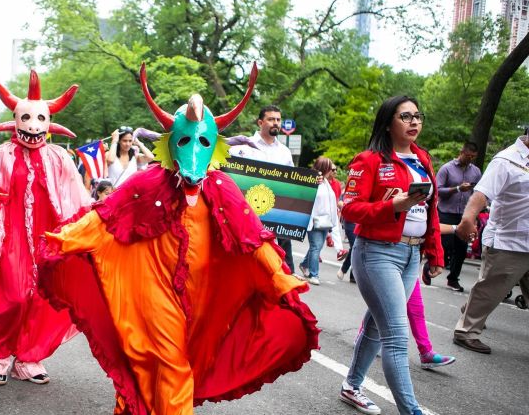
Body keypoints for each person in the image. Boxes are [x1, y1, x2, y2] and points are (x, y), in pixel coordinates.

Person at [40, 63, 318, 414]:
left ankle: (135, 404)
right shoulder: (147, 183)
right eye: (185, 141)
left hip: (203, 298)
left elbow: (252, 237)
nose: (193, 151)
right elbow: (104, 218)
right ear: (170, 145)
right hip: (154, 291)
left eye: (203, 142)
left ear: (215, 146)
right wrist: (63, 239)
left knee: (174, 363)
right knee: (170, 363)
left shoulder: (222, 187)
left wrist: (279, 277)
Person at [0, 72, 89, 386]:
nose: (33, 126)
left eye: (40, 118)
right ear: (15, 119)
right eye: (26, 117)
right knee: (15, 297)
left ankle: (29, 355)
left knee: (43, 299)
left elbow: (76, 198)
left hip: (47, 239)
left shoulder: (59, 157)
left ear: (48, 122)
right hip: (10, 240)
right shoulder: (1, 155)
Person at [340, 96, 444, 415]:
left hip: (412, 255)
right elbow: (350, 207)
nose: (414, 122)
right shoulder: (369, 160)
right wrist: (393, 206)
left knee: (376, 325)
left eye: (418, 116)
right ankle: (411, 410)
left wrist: (434, 253)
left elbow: (432, 209)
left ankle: (351, 386)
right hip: (377, 253)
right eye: (405, 117)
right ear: (388, 123)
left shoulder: (423, 158)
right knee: (397, 337)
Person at [452, 132, 529, 354]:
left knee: (491, 291)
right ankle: (466, 331)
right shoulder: (506, 160)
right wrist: (468, 219)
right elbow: (482, 194)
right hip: (509, 240)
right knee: (491, 288)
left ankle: (472, 307)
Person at [230, 104, 297, 273]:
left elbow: (292, 183)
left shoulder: (285, 152)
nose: (276, 123)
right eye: (271, 119)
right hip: (248, 215)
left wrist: (312, 182)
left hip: (277, 216)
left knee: (282, 265)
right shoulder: (241, 147)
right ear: (260, 122)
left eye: (278, 120)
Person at [432, 142, 481, 291]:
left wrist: (475, 215)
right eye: (468, 156)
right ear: (461, 152)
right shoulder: (446, 168)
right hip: (446, 212)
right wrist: (458, 188)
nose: (470, 159)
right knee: (444, 245)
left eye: (473, 157)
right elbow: (438, 190)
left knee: (461, 248)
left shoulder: (476, 172)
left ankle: (453, 279)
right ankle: (430, 266)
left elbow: (478, 193)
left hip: (465, 215)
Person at [298, 156, 344, 285]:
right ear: (325, 168)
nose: (332, 171)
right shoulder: (314, 181)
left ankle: (304, 264)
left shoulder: (325, 182)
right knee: (316, 247)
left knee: (316, 246)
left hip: (325, 221)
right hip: (314, 220)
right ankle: (314, 274)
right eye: (330, 168)